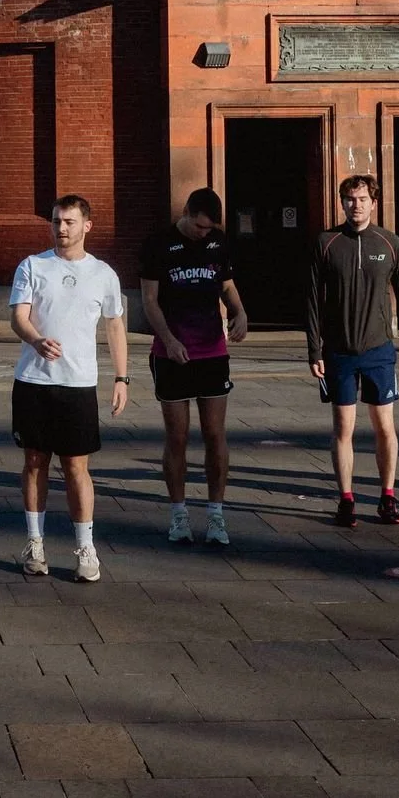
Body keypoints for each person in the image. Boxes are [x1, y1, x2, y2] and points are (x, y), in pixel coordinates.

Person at [9, 195, 128, 583]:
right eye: (57, 221)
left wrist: (121, 377)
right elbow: (18, 317)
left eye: (69, 222)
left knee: (77, 466)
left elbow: (115, 325)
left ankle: (85, 547)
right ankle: (35, 543)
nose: (61, 228)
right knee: (34, 462)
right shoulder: (32, 266)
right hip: (34, 381)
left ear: (86, 226)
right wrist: (36, 340)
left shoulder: (103, 274)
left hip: (78, 384)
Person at [307, 174, 399, 527]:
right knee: (344, 427)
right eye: (349, 199)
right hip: (338, 351)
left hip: (378, 350)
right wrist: (314, 350)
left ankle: (388, 496)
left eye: (361, 199)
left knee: (385, 426)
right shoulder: (327, 242)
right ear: (341, 202)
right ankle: (346, 499)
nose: (355, 205)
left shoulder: (389, 242)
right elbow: (312, 299)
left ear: (374, 203)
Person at [140, 187, 248, 547]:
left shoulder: (218, 243)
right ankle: (179, 512)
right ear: (185, 212)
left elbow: (227, 285)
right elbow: (149, 300)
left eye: (208, 229)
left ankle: (216, 513)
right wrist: (169, 340)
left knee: (215, 433)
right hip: (172, 352)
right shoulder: (158, 244)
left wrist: (240, 312)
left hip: (212, 351)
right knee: (178, 436)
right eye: (199, 226)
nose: (203, 233)